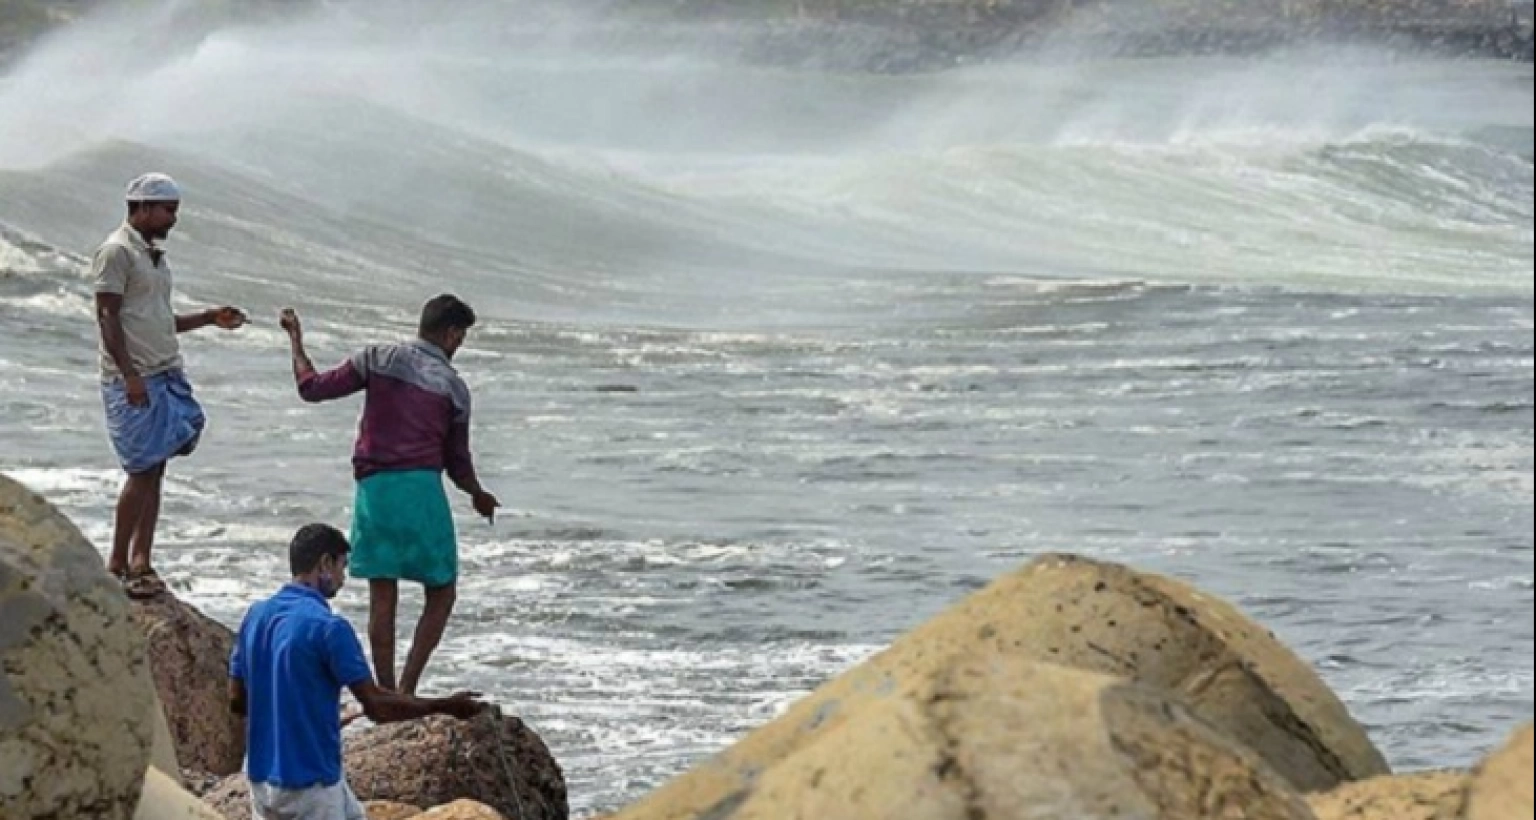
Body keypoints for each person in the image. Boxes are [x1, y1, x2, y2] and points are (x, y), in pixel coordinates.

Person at [279, 295, 499, 694]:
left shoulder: (376, 358)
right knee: (442, 590)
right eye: (461, 337)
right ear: (450, 333)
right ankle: (408, 688)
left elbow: (311, 388)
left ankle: (385, 691)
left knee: (384, 593)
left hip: (375, 490)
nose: (459, 345)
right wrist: (477, 494)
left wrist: (296, 340)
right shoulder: (453, 388)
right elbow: (457, 461)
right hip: (420, 492)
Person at [229, 523, 486, 820]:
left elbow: (237, 700)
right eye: (341, 566)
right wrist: (447, 707)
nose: (343, 577)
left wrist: (313, 717)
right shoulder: (328, 627)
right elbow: (377, 707)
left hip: (261, 778)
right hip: (310, 782)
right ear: (325, 563)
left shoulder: (256, 616)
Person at [94, 172, 247, 599]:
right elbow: (107, 317)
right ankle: (118, 563)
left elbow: (158, 320)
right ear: (142, 208)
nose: (173, 219)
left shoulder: (152, 257)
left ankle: (142, 559)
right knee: (141, 470)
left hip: (164, 371)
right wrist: (129, 375)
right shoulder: (117, 252)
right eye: (168, 210)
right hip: (136, 376)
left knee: (156, 468)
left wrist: (210, 317)